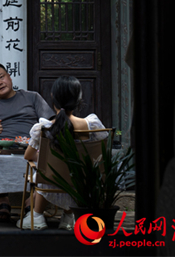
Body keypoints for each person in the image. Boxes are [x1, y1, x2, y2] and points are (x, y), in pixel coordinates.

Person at [17, 75, 109, 231]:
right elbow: (99, 152)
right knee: (71, 171)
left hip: (50, 182)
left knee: (46, 168)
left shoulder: (43, 128)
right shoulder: (92, 125)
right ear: (78, 99)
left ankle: (37, 216)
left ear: (53, 97)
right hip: (83, 182)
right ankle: (68, 216)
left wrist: (53, 158)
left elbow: (29, 156)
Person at [0, 62, 55, 221]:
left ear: (9, 77)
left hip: (31, 145)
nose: (0, 82)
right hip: (1, 147)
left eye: (1, 77)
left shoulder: (32, 97)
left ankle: (32, 199)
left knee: (47, 154)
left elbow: (50, 122)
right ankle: (4, 202)